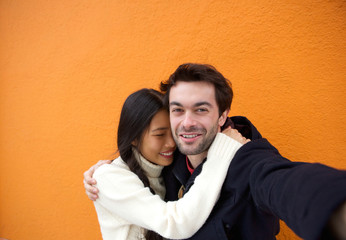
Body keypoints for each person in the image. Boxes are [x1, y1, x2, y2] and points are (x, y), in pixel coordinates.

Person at [84, 64, 346, 240]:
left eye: (201, 109)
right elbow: (170, 219)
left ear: (222, 116)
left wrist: (336, 209)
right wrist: (105, 170)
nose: (186, 123)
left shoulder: (244, 157)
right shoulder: (170, 162)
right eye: (178, 110)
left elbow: (280, 181)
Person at [91, 88, 250, 240]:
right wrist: (221, 151)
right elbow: (174, 223)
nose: (171, 143)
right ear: (133, 137)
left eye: (173, 132)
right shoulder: (110, 177)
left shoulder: (169, 169)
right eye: (159, 135)